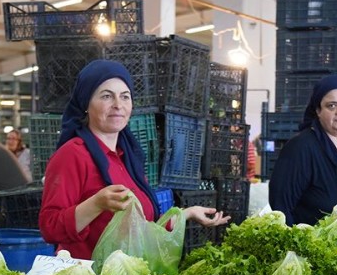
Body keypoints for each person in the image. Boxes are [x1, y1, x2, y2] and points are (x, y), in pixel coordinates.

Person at [38, 59, 227, 259]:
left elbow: (143, 229)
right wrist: (96, 204)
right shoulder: (72, 155)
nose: (118, 105)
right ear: (86, 103)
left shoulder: (127, 157)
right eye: (106, 96)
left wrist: (186, 214)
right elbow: (50, 227)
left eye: (125, 97)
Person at [269, 74, 337, 225]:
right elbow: (281, 206)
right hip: (316, 245)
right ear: (318, 110)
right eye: (332, 105)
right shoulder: (301, 147)